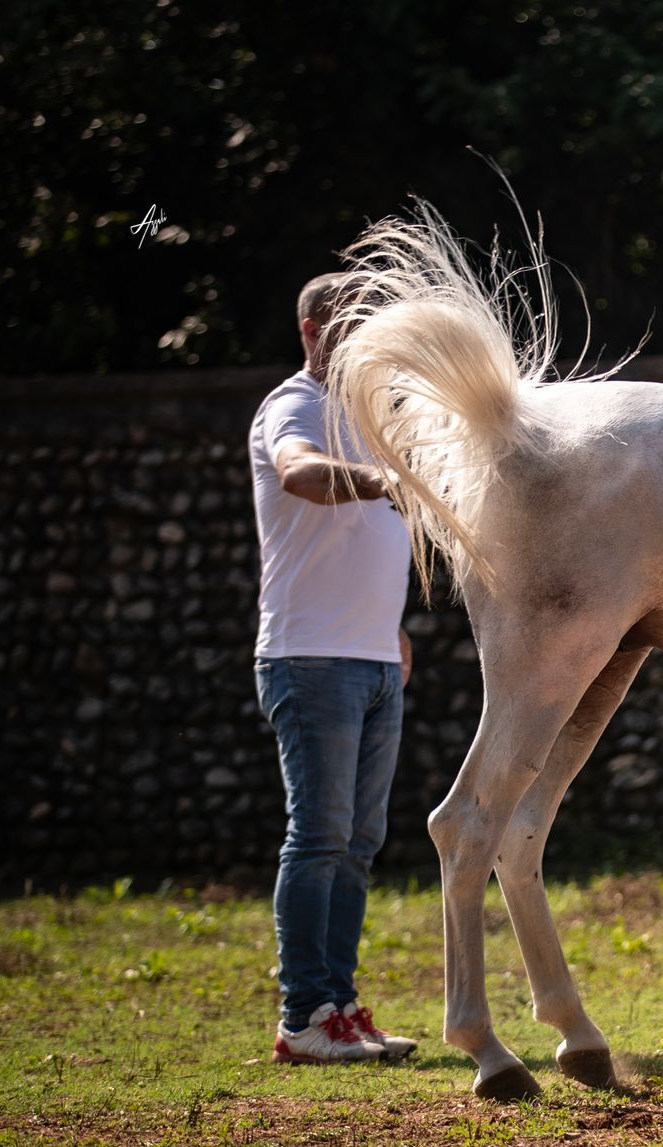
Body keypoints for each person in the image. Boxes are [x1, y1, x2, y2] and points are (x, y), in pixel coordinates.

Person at [248, 272, 419, 1064]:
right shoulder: (293, 406)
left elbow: (365, 547)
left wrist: (392, 629)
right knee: (318, 837)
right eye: (353, 324)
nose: (368, 339)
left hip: (374, 658)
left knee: (358, 841)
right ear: (313, 332)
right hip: (311, 659)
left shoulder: (366, 416)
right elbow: (299, 472)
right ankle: (303, 1017)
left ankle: (341, 1008)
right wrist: (384, 477)